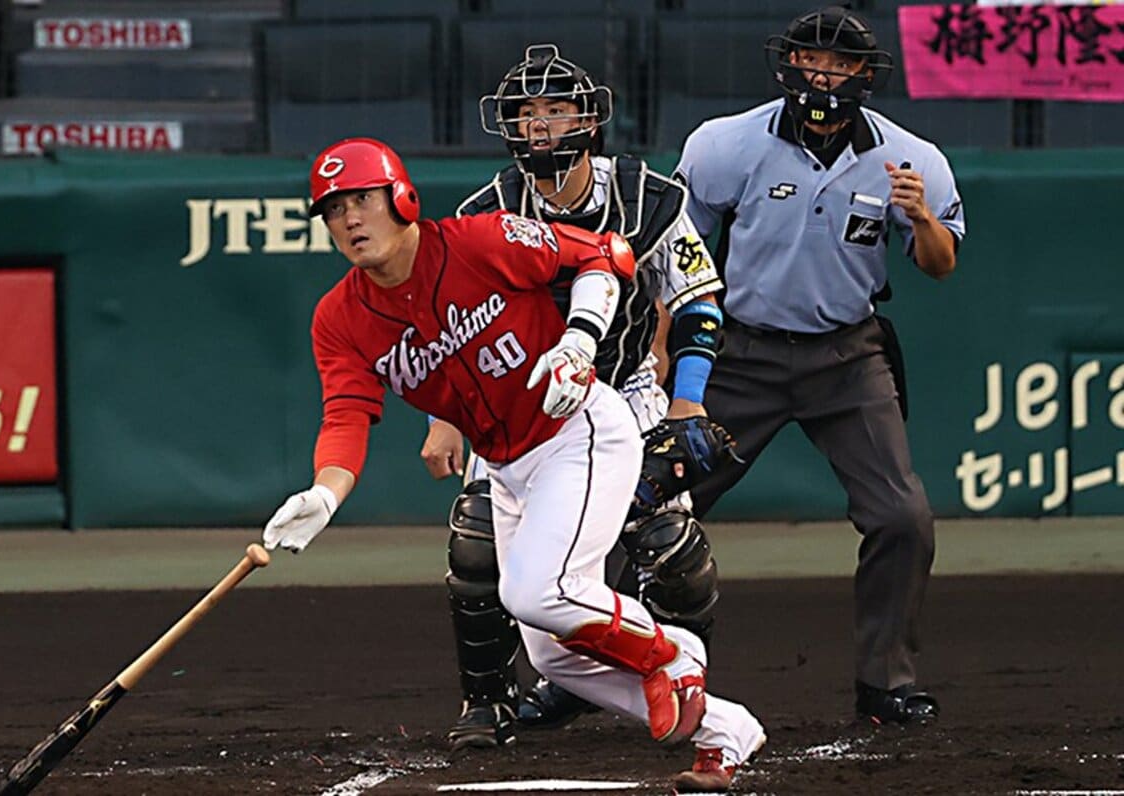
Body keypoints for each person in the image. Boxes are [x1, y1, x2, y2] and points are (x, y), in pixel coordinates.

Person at [262, 136, 766, 792]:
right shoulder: (341, 318)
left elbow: (602, 256)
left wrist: (578, 342)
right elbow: (347, 415)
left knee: (535, 592)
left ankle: (673, 654)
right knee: (556, 654)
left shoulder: (478, 239)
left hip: (579, 430)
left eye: (362, 199)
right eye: (333, 210)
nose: (350, 219)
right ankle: (724, 732)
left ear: (401, 197)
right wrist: (325, 494)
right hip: (507, 466)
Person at [418, 43, 734, 756]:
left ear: (589, 119)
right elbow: (449, 329)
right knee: (476, 544)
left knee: (669, 547)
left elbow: (697, 304)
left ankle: (674, 682)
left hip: (623, 390)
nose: (539, 126)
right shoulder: (486, 210)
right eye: (525, 114)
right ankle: (487, 700)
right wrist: (444, 419)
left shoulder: (646, 199)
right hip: (519, 406)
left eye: (556, 110)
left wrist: (687, 406)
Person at [675, 5, 965, 725]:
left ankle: (885, 684)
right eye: (812, 60)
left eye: (841, 64)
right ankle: (602, 671)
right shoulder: (725, 144)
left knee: (903, 517)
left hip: (846, 355)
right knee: (654, 509)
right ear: (788, 65)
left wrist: (922, 217)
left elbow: (940, 266)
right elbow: (675, 255)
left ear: (865, 75)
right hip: (739, 352)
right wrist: (668, 362)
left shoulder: (911, 157)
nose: (824, 75)